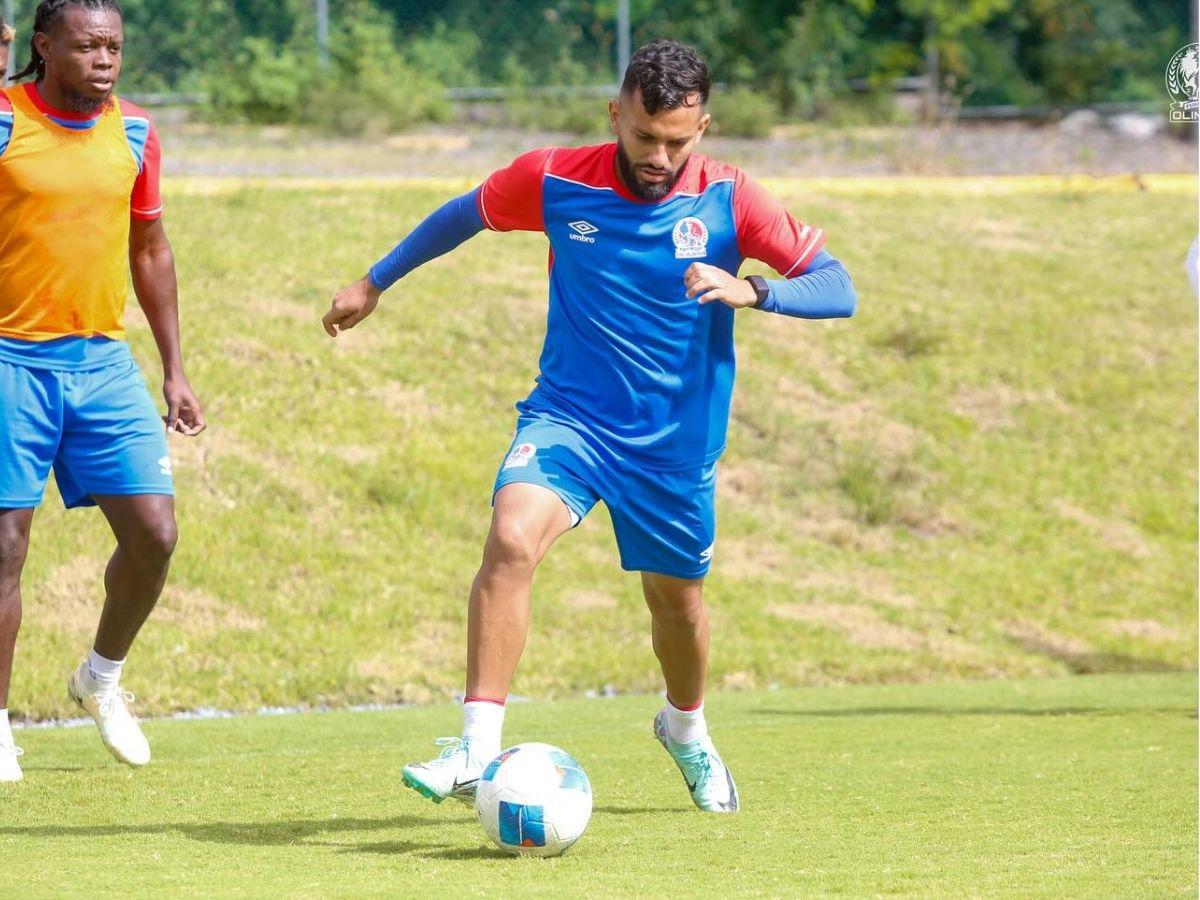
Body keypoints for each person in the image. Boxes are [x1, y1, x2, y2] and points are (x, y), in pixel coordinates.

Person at [323, 39, 855, 814]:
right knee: (510, 538)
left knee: (678, 608)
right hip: (570, 419)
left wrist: (753, 292)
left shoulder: (733, 199)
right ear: (616, 115)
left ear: (704, 127)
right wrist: (374, 281)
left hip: (673, 446)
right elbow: (462, 215)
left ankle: (685, 728)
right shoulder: (554, 177)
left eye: (678, 140)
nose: (660, 156)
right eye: (644, 136)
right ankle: (476, 745)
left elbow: (838, 287)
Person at [0, 0, 205, 784]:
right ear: (45, 47)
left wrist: (175, 368)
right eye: (87, 46)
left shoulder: (137, 133)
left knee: (155, 533)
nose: (105, 59)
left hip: (101, 360)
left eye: (114, 46)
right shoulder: (5, 120)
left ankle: (100, 677)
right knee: (5, 548)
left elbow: (150, 249)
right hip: (9, 359)